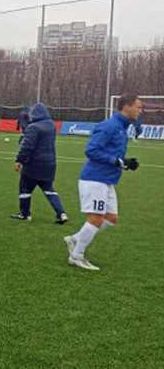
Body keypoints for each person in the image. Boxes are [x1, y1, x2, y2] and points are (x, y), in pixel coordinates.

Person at [64, 93, 142, 271]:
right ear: (126, 107)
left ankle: (76, 238)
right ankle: (77, 255)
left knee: (111, 219)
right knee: (96, 219)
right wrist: (117, 161)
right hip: (95, 179)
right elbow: (91, 151)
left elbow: (112, 155)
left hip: (107, 180)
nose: (140, 110)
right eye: (138, 106)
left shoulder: (122, 127)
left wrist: (125, 163)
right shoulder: (109, 126)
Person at [10, 103, 68, 224]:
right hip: (50, 164)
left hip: (33, 165)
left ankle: (25, 214)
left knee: (25, 189)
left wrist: (19, 160)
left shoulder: (33, 127)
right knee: (49, 189)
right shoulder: (51, 125)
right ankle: (61, 213)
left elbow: (27, 146)